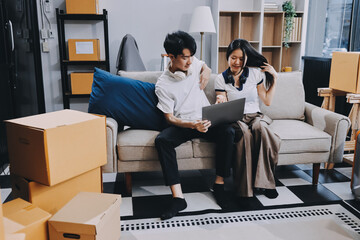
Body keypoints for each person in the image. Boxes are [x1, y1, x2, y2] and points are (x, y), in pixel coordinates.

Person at [155, 31, 235, 220]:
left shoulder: (193, 63)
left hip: (206, 119)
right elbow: (169, 118)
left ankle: (219, 185)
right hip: (184, 123)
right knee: (162, 141)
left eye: (191, 56)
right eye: (184, 58)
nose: (189, 62)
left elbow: (204, 65)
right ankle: (178, 198)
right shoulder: (162, 84)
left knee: (229, 132)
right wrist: (192, 125)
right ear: (171, 56)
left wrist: (206, 71)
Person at [215, 38, 281, 199]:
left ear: (246, 59)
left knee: (262, 128)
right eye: (233, 58)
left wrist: (275, 79)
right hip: (236, 119)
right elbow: (221, 100)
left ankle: (266, 184)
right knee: (244, 134)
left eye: (241, 58)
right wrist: (221, 100)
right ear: (227, 58)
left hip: (255, 116)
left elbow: (267, 101)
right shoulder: (220, 79)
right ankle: (245, 192)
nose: (237, 62)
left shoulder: (255, 74)